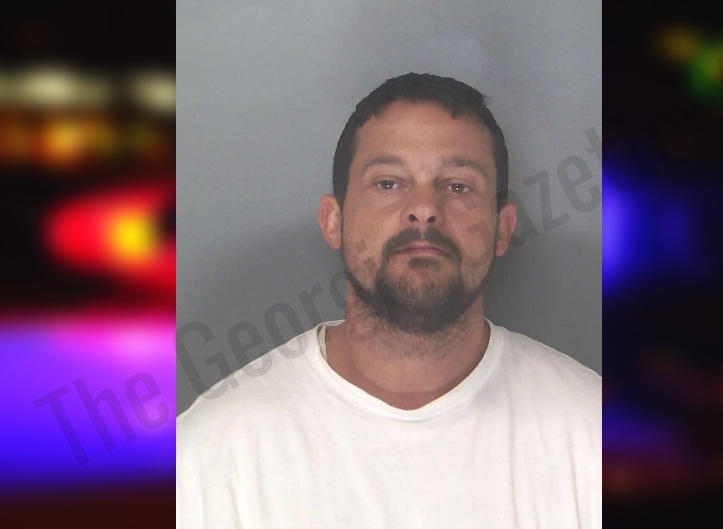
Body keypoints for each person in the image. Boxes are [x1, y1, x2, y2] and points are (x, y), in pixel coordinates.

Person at [177, 73, 601, 528]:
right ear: (333, 221)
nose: (425, 208)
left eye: (458, 186)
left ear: (503, 228)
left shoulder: (593, 434)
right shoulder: (212, 454)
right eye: (388, 183)